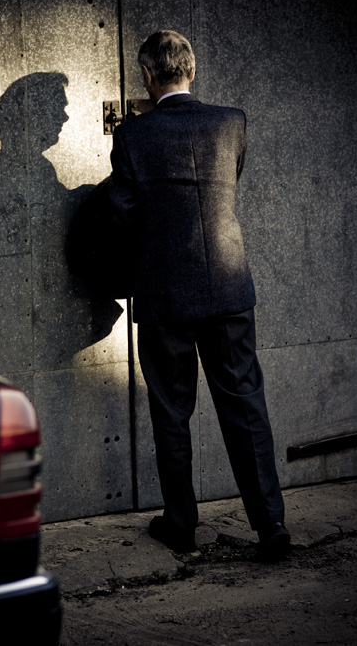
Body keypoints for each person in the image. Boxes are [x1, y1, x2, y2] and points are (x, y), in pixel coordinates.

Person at [104, 30, 290, 559]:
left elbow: (122, 211)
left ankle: (181, 524)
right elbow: (225, 187)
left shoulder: (133, 135)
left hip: (165, 294)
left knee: (172, 411)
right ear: (192, 70)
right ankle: (271, 525)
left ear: (147, 75)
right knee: (245, 405)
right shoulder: (232, 123)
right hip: (227, 287)